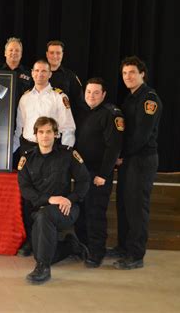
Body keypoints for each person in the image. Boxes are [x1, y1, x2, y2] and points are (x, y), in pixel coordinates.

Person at [14, 59, 76, 257]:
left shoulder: (59, 97)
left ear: (50, 74)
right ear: (32, 73)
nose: (40, 74)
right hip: (29, 149)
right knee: (28, 198)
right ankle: (31, 242)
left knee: (50, 195)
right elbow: (19, 129)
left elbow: (68, 128)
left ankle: (51, 242)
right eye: (37, 70)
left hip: (51, 149)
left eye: (44, 71)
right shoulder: (24, 98)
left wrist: (65, 155)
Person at [18, 116, 90, 284]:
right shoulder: (27, 159)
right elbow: (25, 189)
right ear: (35, 135)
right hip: (39, 210)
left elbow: (84, 180)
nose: (45, 136)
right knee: (41, 248)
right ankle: (70, 246)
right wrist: (50, 199)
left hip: (67, 209)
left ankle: (43, 268)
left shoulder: (68, 154)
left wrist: (69, 199)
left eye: (49, 132)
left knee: (45, 217)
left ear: (56, 134)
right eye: (41, 132)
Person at [111, 56, 162, 270]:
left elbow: (141, 135)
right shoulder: (130, 98)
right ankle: (124, 246)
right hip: (129, 159)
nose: (128, 77)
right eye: (124, 73)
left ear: (142, 74)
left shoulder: (149, 99)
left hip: (141, 160)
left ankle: (135, 254)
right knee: (123, 204)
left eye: (132, 72)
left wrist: (121, 155)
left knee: (136, 208)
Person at [74, 78, 124, 268]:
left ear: (103, 95)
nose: (91, 96)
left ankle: (97, 252)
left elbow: (114, 147)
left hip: (98, 174)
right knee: (83, 212)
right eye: (88, 92)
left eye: (96, 93)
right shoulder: (82, 112)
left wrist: (103, 174)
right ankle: (85, 247)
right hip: (82, 173)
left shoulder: (111, 114)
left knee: (96, 213)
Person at [0, 37, 33, 168]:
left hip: (22, 120)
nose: (14, 53)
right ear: (5, 53)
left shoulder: (29, 74)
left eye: (17, 50)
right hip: (1, 120)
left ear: (21, 53)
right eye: (11, 50)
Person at [46, 40, 83, 122]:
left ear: (62, 54)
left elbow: (79, 102)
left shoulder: (70, 76)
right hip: (41, 120)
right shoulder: (38, 74)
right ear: (47, 54)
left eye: (58, 53)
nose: (55, 56)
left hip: (63, 122)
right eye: (51, 53)